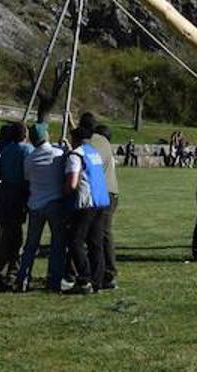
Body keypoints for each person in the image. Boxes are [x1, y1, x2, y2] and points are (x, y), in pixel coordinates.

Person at [15, 122, 67, 293]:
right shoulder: (58, 154)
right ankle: (54, 280)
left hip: (35, 203)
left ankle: (23, 278)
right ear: (46, 135)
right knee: (57, 244)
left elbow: (27, 178)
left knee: (31, 244)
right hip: (54, 202)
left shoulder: (29, 158)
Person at [64, 124, 112, 294]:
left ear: (75, 139)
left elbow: (72, 183)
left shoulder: (76, 155)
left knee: (75, 241)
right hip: (102, 200)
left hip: (86, 202)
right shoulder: (93, 153)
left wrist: (65, 192)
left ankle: (84, 278)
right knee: (95, 243)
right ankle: (97, 281)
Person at [0, 122, 32, 290]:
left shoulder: (6, 151)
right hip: (18, 194)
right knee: (13, 237)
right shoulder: (26, 151)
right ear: (24, 135)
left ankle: (9, 270)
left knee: (10, 233)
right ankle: (4, 272)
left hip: (4, 193)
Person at [80, 114, 120, 290]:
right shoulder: (104, 142)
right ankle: (104, 272)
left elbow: (83, 158)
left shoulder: (93, 142)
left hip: (102, 192)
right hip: (111, 192)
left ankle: (108, 273)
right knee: (100, 234)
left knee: (100, 234)